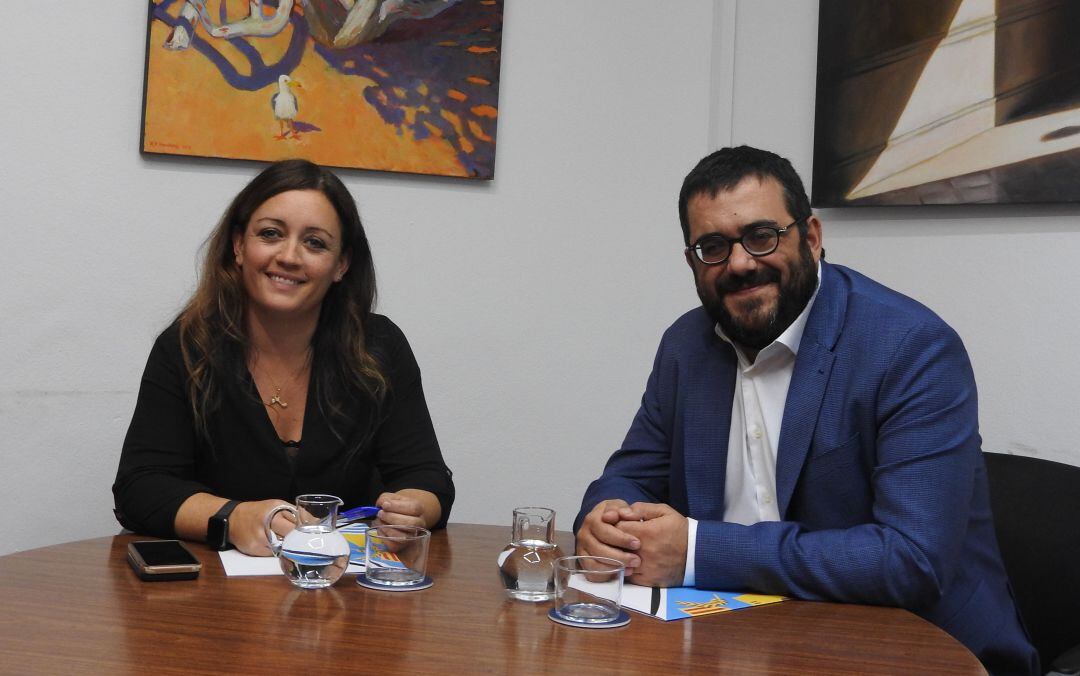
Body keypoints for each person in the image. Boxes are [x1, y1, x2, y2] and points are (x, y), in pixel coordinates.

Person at [575, 146, 1037, 674]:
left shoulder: (910, 347)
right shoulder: (686, 345)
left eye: (761, 236)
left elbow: (912, 560)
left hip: (913, 652)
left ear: (811, 238)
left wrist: (698, 551)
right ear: (692, 262)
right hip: (733, 643)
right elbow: (632, 474)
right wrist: (607, 521)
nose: (741, 264)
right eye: (713, 247)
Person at [113, 159, 454, 555]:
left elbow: (427, 478)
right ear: (239, 246)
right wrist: (234, 516)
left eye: (315, 243)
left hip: (344, 593)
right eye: (271, 234)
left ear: (341, 264)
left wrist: (413, 510)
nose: (290, 256)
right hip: (212, 599)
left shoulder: (378, 346)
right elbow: (140, 487)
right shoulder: (188, 346)